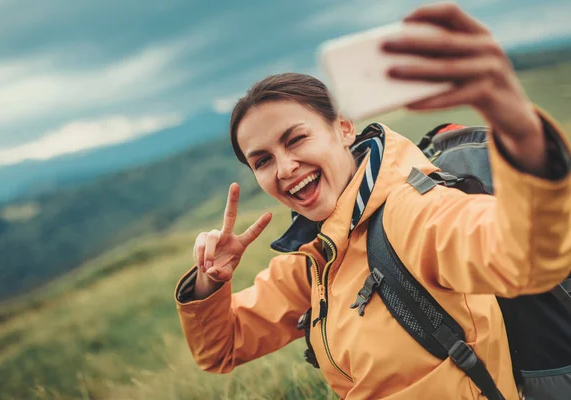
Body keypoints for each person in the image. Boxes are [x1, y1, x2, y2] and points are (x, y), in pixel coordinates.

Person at [175, 3, 571, 399]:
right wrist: (210, 281)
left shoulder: (412, 213)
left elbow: (526, 255)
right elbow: (221, 349)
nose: (284, 168)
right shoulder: (316, 257)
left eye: (295, 139)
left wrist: (522, 133)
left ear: (344, 129)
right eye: (262, 160)